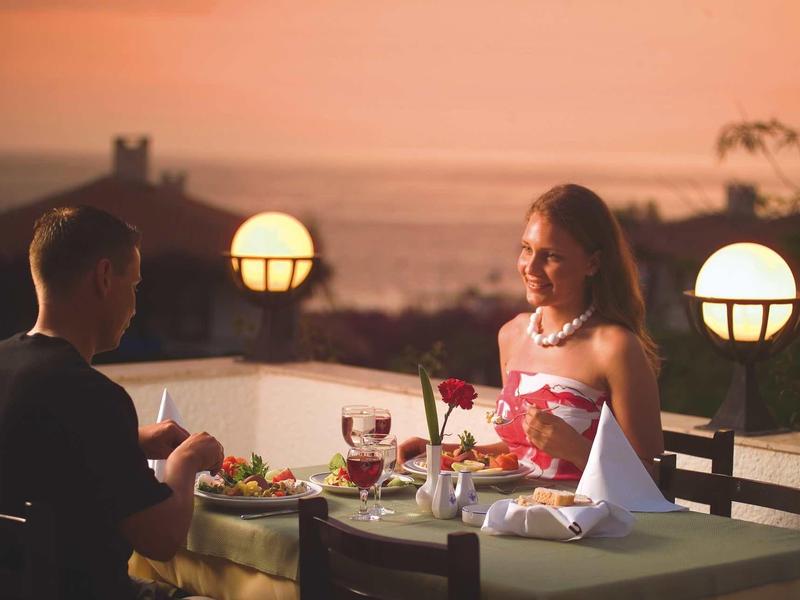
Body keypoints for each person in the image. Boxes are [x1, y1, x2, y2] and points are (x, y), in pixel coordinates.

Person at [0, 206, 225, 600]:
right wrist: (185, 462)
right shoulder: (91, 394)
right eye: (133, 286)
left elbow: (33, 443)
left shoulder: (9, 366)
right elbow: (161, 539)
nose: (134, 306)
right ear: (105, 278)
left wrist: (131, 439)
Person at [399, 184, 664, 479]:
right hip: (511, 511)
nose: (531, 267)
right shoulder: (512, 335)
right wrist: (439, 451)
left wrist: (576, 449)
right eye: (527, 249)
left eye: (551, 256)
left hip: (584, 519)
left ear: (593, 263)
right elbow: (520, 452)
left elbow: (649, 474)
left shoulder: (615, 347)